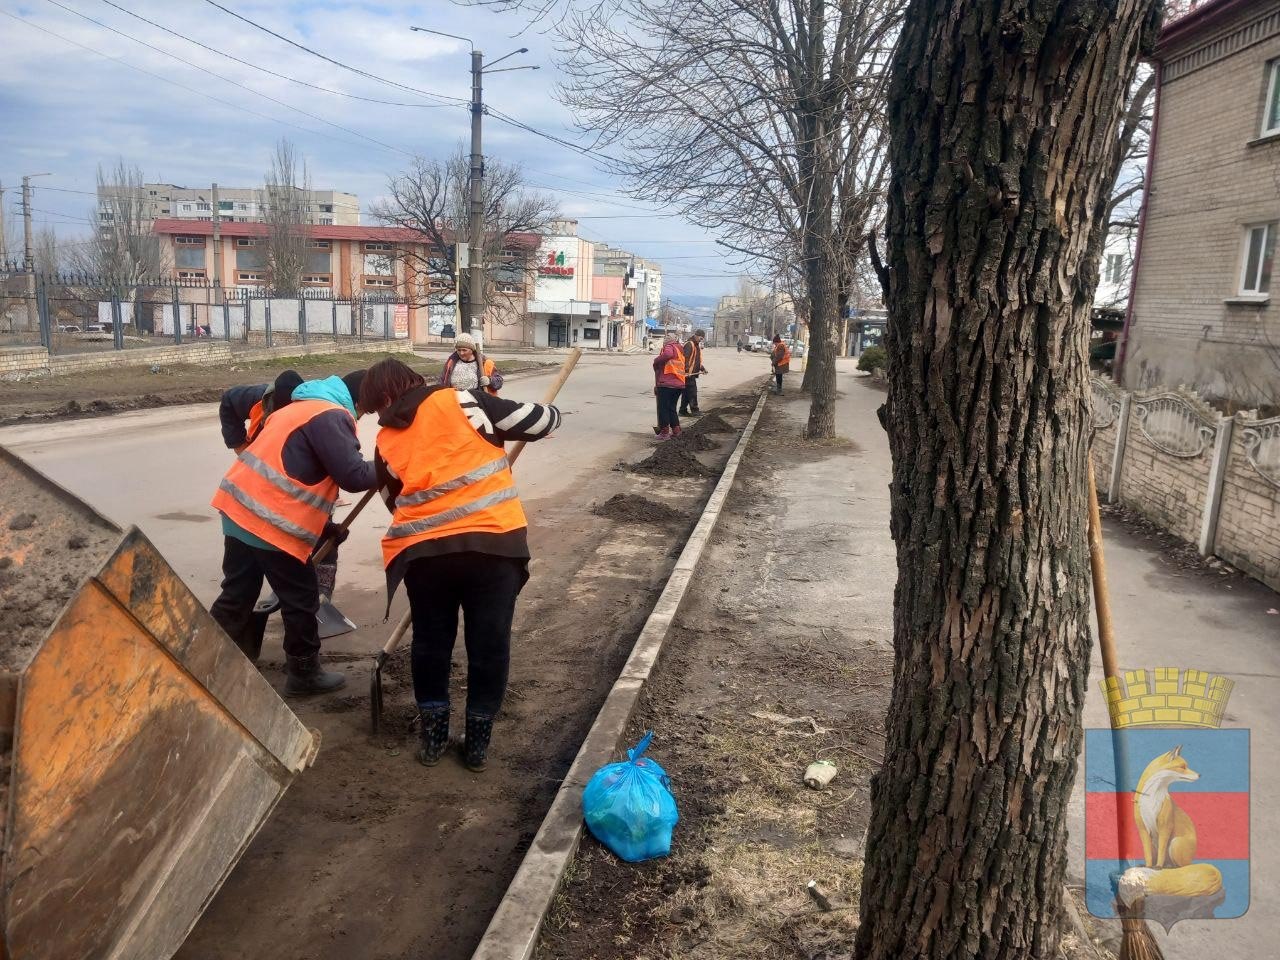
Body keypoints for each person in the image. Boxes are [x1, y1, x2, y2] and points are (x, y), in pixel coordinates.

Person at [360, 357, 561, 771]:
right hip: (494, 548)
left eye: (376, 406)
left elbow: (394, 502)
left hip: (426, 557)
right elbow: (538, 421)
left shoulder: (385, 441)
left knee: (431, 644)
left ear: (384, 398)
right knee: (489, 644)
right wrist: (553, 414)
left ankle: (433, 739)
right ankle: (477, 746)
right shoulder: (464, 401)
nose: (379, 414)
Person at [209, 371, 375, 695]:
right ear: (357, 401)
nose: (361, 417)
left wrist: (325, 528)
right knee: (301, 597)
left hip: (239, 510)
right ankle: (304, 674)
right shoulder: (331, 415)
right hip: (270, 523)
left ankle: (204, 660)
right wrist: (390, 466)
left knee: (237, 593)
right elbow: (354, 475)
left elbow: (297, 473)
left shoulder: (301, 405)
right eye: (365, 410)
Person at [219, 369, 304, 453]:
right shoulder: (259, 402)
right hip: (257, 424)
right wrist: (238, 443)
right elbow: (228, 398)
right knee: (253, 459)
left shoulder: (307, 406)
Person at [652, 331, 686, 440]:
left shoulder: (669, 346)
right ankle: (676, 430)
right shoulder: (679, 348)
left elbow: (668, 354)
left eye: (667, 337)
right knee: (671, 408)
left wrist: (656, 360)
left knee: (663, 408)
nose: (665, 338)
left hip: (667, 384)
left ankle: (664, 432)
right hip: (679, 384)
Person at [679, 329, 708, 417]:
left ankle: (682, 410)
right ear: (696, 335)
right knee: (692, 392)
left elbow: (696, 360)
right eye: (701, 338)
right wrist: (686, 371)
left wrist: (702, 368)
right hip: (688, 374)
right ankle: (695, 410)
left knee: (686, 393)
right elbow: (685, 359)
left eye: (702, 339)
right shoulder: (690, 344)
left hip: (690, 374)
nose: (701, 340)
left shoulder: (695, 345)